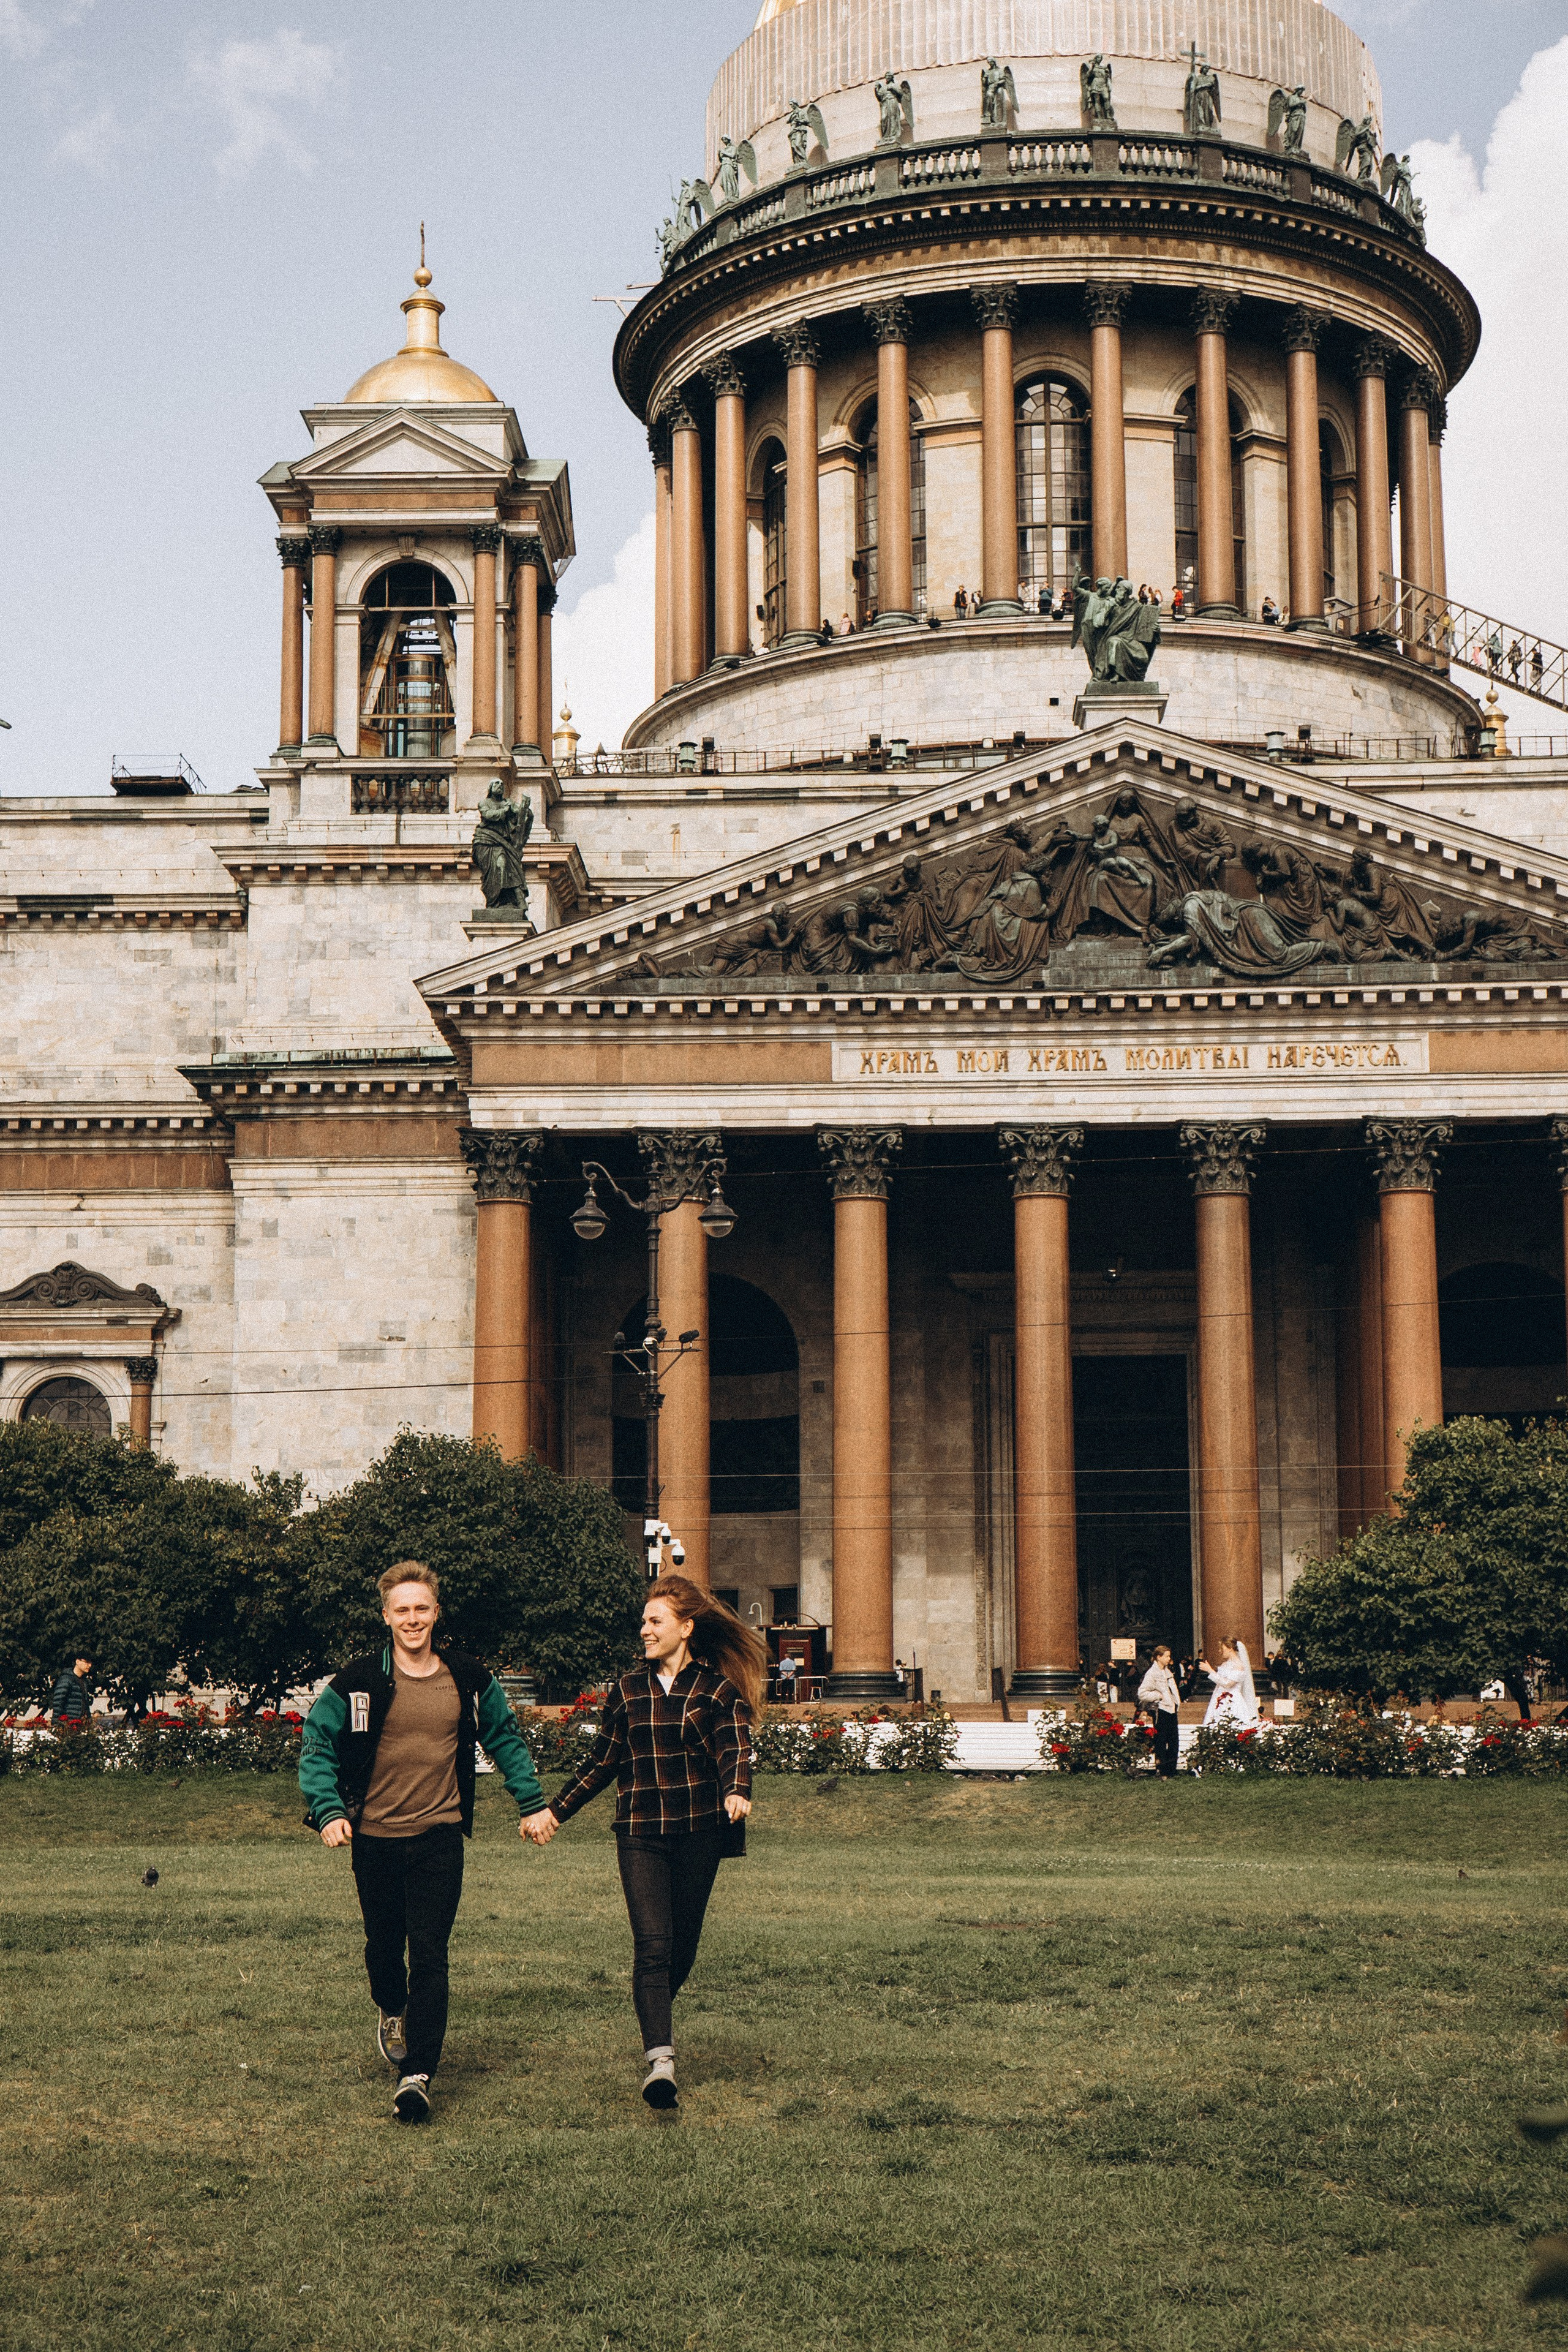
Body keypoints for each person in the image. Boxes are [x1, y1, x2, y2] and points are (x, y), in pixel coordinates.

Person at [299, 1559, 554, 2125]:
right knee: (384, 1951)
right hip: (374, 1838)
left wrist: (532, 1803)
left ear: (437, 1612)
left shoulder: (466, 1676)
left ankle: (416, 2074)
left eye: (422, 1608)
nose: (412, 1619)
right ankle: (392, 2007)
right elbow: (316, 1743)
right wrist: (328, 1812)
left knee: (431, 1953)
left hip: (440, 1836)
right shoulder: (359, 1682)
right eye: (402, 1610)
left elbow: (505, 1737)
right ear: (386, 1617)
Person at [529, 1575, 764, 2111]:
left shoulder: (716, 1691)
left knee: (682, 1948)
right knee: (652, 1946)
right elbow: (603, 1763)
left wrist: (737, 1791)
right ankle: (661, 2061)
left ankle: (653, 2002)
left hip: (701, 1831)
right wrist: (555, 1812)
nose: (645, 1630)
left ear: (686, 1628)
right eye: (644, 1621)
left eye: (655, 1621)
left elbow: (735, 1748)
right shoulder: (629, 1689)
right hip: (640, 1832)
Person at [1137, 1645, 1182, 1779]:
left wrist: (1176, 1702)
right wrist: (1158, 1696)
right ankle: (1162, 1771)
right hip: (1161, 1710)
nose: (1169, 1659)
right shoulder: (1152, 1673)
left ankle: (1171, 1770)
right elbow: (1142, 1693)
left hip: (1172, 1709)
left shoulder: (1167, 1671)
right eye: (1167, 1656)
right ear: (1159, 1657)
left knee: (1174, 1741)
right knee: (1161, 1741)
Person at [1199, 1635, 1260, 1729]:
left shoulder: (1239, 1665)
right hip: (1219, 1699)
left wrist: (1210, 1671)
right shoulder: (1225, 1664)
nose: (1220, 1651)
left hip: (1232, 1700)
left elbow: (1228, 1684)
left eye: (1222, 1648)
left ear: (1230, 1648)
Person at [49, 1654, 94, 1723]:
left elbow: (85, 1704)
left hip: (79, 1724)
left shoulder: (84, 1681)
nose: (90, 1665)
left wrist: (89, 1720)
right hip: (68, 1725)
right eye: (87, 1662)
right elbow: (58, 1702)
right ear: (78, 1662)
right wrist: (58, 1724)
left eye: (91, 1663)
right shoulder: (66, 1679)